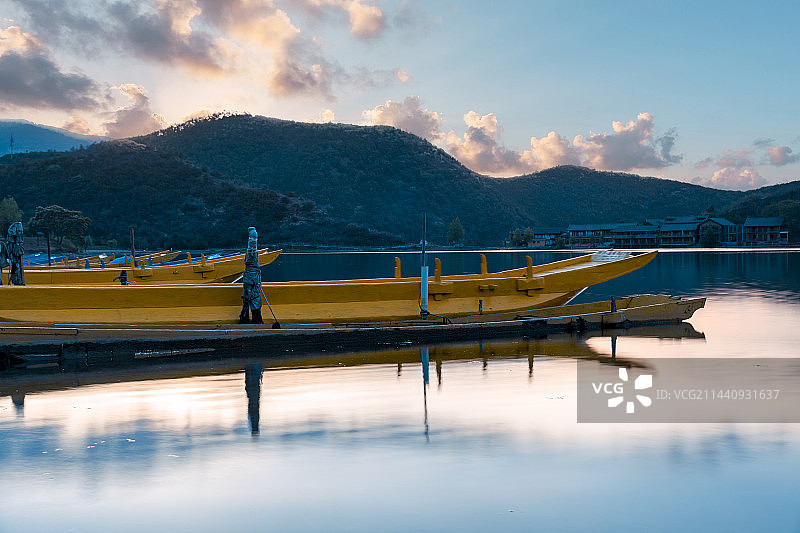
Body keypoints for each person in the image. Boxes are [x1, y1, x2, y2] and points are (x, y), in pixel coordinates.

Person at [239, 226, 263, 324]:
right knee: (250, 296)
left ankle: (251, 317)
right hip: (251, 277)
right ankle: (253, 318)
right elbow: (252, 247)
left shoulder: (251, 253)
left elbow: (252, 246)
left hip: (251, 277)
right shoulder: (252, 254)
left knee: (250, 296)